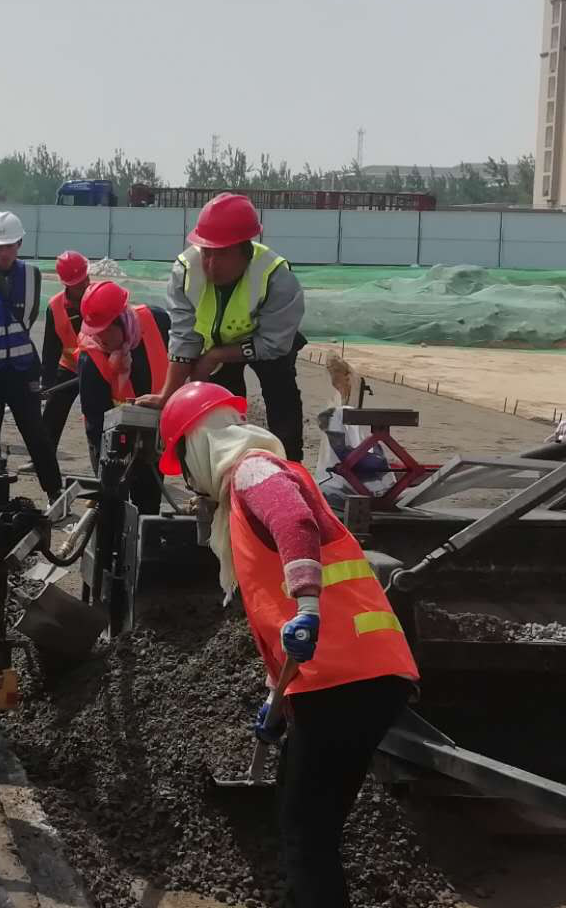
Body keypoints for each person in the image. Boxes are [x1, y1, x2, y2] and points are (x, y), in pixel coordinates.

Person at [158, 381, 417, 908]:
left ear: (196, 445)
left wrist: (308, 605)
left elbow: (293, 521)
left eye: (183, 462)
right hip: (363, 676)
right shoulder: (253, 483)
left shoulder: (253, 470)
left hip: (341, 678)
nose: (188, 479)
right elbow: (276, 613)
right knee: (315, 827)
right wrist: (279, 701)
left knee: (304, 833)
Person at [137, 192, 308, 463]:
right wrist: (168, 395)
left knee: (281, 394)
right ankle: (225, 470)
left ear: (245, 252)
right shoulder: (185, 272)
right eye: (206, 253)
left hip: (267, 343)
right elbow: (183, 336)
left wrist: (215, 356)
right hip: (215, 344)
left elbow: (274, 343)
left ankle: (290, 466)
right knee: (219, 410)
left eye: (223, 254)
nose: (211, 265)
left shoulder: (277, 277)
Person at [0, 210, 65, 500]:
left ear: (19, 244)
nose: (4, 252)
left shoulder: (32, 275)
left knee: (35, 432)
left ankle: (54, 491)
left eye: (8, 246)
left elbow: (29, 318)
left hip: (21, 369)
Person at [75, 280, 170, 512]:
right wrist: (106, 474)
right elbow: (95, 423)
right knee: (113, 506)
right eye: (95, 330)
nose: (100, 337)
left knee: (148, 502)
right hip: (112, 441)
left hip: (154, 434)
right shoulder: (91, 359)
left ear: (123, 320)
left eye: (106, 329)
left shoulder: (157, 321)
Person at [39, 249, 91, 449]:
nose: (85, 284)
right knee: (53, 411)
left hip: (100, 369)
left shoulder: (99, 297)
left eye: (86, 278)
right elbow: (50, 349)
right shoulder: (55, 307)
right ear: (67, 284)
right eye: (79, 282)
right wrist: (47, 383)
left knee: (100, 415)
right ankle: (43, 456)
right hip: (70, 367)